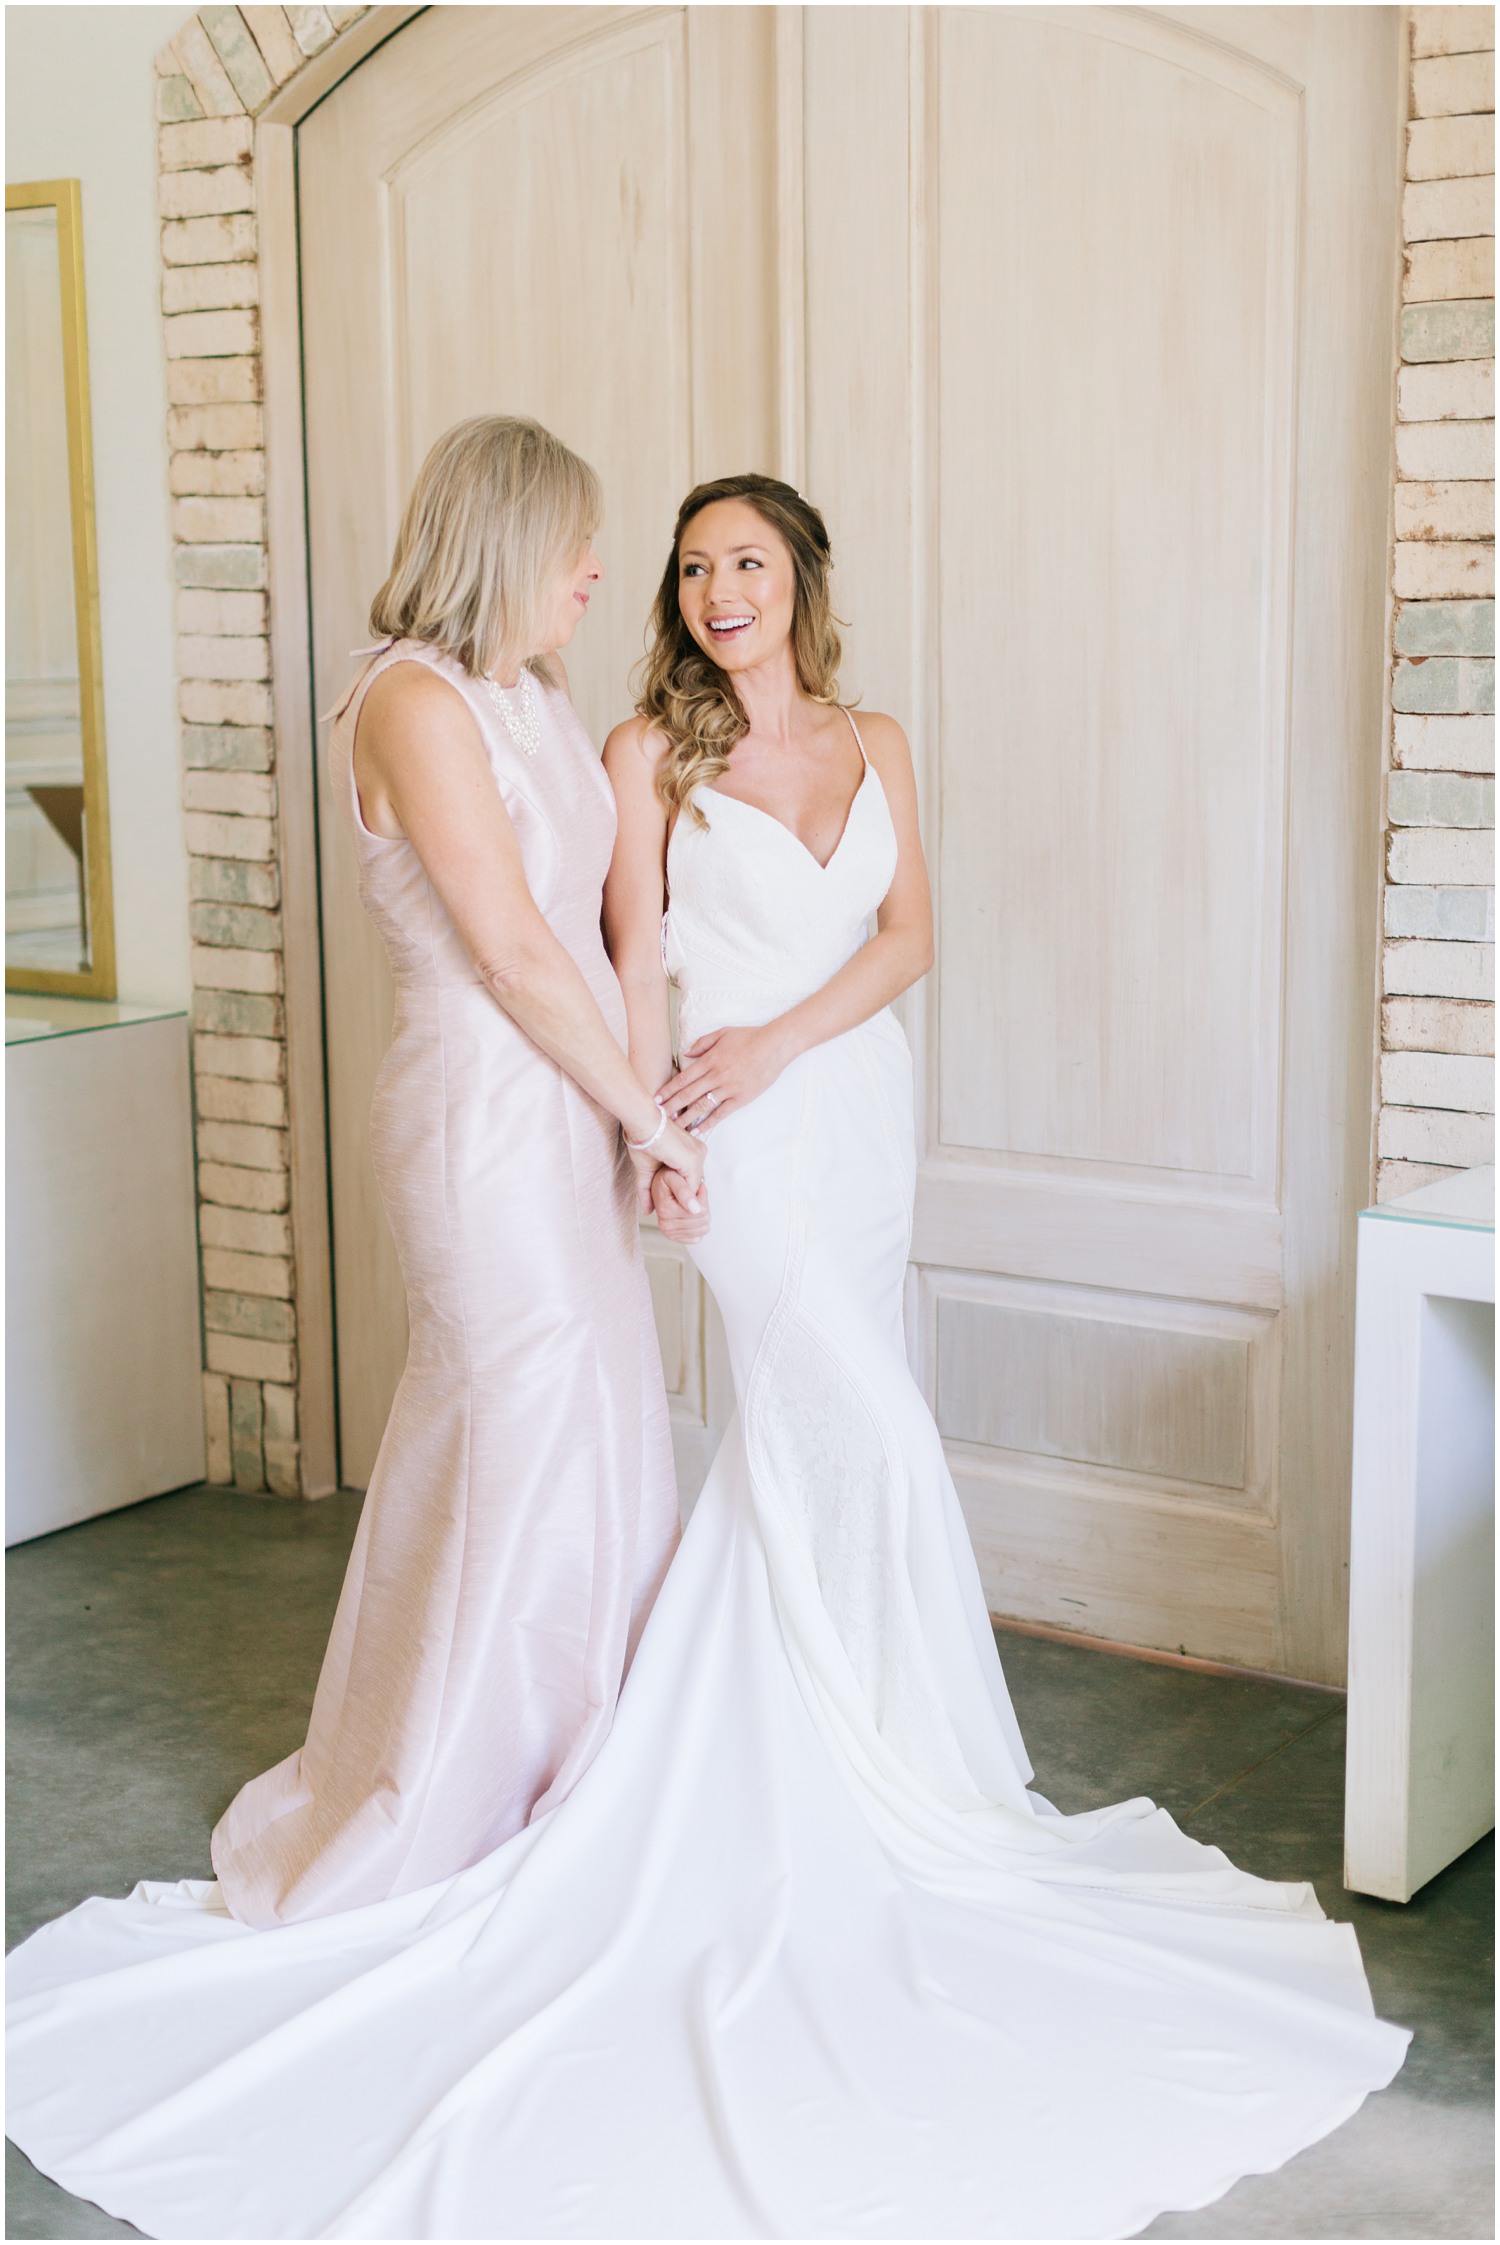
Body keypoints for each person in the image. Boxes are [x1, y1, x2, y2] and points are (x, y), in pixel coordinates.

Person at [5, 474, 1407, 2242]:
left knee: (808, 1448)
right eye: (685, 567)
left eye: (744, 560)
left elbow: (908, 939)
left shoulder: (879, 736)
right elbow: (620, 960)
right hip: (722, 1136)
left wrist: (789, 1042)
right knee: (863, 1426)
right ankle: (875, 1775)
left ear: (801, 576)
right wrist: (675, 1106)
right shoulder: (635, 753)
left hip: (851, 1118)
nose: (710, 587)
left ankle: (854, 1743)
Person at [210, 415, 701, 1926]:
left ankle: (589, 1764)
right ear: (504, 540)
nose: (599, 574)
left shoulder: (536, 693)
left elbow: (619, 925)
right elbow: (506, 946)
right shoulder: (411, 702)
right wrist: (649, 1113)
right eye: (577, 546)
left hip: (570, 1098)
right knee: (510, 1420)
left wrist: (643, 1102)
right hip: (482, 1115)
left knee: (603, 1412)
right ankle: (446, 1783)